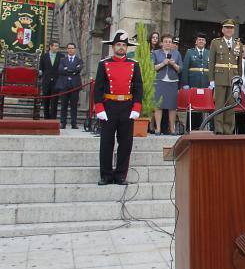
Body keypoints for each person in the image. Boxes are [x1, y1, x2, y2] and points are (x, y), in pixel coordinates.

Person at [93, 30, 143, 185]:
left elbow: (139, 87)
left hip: (127, 106)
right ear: (113, 46)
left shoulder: (134, 65)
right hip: (109, 106)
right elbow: (98, 88)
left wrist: (136, 106)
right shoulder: (104, 64)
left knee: (126, 142)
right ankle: (106, 175)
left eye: (123, 45)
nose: (121, 47)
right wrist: (99, 107)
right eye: (118, 45)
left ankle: (121, 175)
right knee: (106, 142)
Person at [208, 19, 242, 134]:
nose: (229, 30)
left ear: (233, 30)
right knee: (219, 105)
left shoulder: (238, 44)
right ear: (222, 29)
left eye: (231, 28)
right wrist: (211, 79)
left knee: (231, 106)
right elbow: (211, 62)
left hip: (233, 78)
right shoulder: (216, 42)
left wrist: (239, 79)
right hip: (220, 78)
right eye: (227, 27)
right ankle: (219, 129)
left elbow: (239, 64)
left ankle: (228, 130)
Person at [151, 34, 182, 135]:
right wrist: (163, 63)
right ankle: (158, 128)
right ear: (161, 43)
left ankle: (172, 128)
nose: (168, 43)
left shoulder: (176, 54)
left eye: (170, 42)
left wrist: (173, 64)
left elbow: (180, 69)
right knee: (158, 105)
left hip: (172, 82)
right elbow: (152, 67)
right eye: (166, 41)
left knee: (172, 106)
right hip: (159, 81)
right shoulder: (155, 53)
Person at [180, 32, 211, 129]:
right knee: (193, 106)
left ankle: (203, 127)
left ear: (205, 42)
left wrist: (211, 82)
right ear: (196, 42)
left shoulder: (208, 53)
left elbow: (211, 68)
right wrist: (185, 83)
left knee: (204, 105)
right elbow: (185, 68)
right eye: (199, 40)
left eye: (203, 40)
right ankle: (191, 127)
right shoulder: (190, 52)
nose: (201, 41)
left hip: (205, 82)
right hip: (193, 82)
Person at [56, 42, 83, 129]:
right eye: (69, 48)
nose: (70, 50)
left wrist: (67, 69)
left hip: (75, 86)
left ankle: (74, 123)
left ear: (75, 49)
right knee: (63, 105)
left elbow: (78, 69)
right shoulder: (62, 60)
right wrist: (72, 70)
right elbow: (60, 70)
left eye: (72, 48)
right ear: (67, 49)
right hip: (64, 85)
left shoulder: (79, 60)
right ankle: (63, 123)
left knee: (74, 106)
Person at [39, 41, 63, 119]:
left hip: (56, 81)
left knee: (55, 100)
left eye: (58, 46)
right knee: (46, 100)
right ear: (50, 47)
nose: (57, 47)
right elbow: (41, 68)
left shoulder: (61, 56)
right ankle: (46, 116)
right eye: (55, 46)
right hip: (46, 81)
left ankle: (53, 117)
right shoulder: (44, 56)